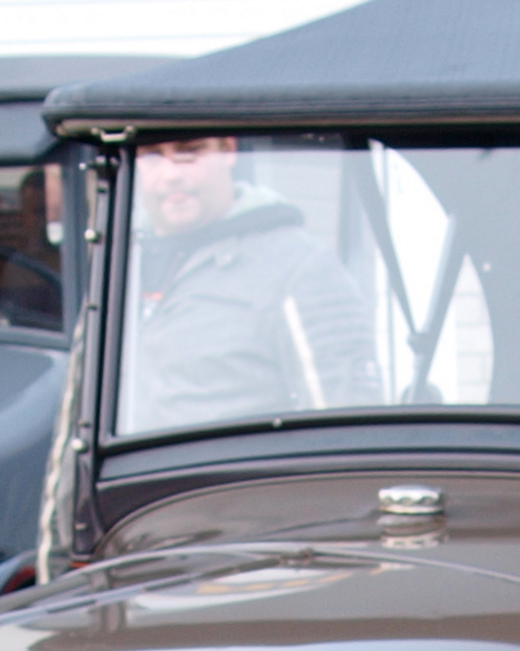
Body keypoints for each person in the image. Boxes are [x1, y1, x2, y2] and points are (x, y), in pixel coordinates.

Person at [119, 136, 380, 434]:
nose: (171, 174)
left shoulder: (298, 269)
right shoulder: (121, 267)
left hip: (231, 480)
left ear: (229, 151)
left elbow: (347, 434)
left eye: (189, 153)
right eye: (152, 156)